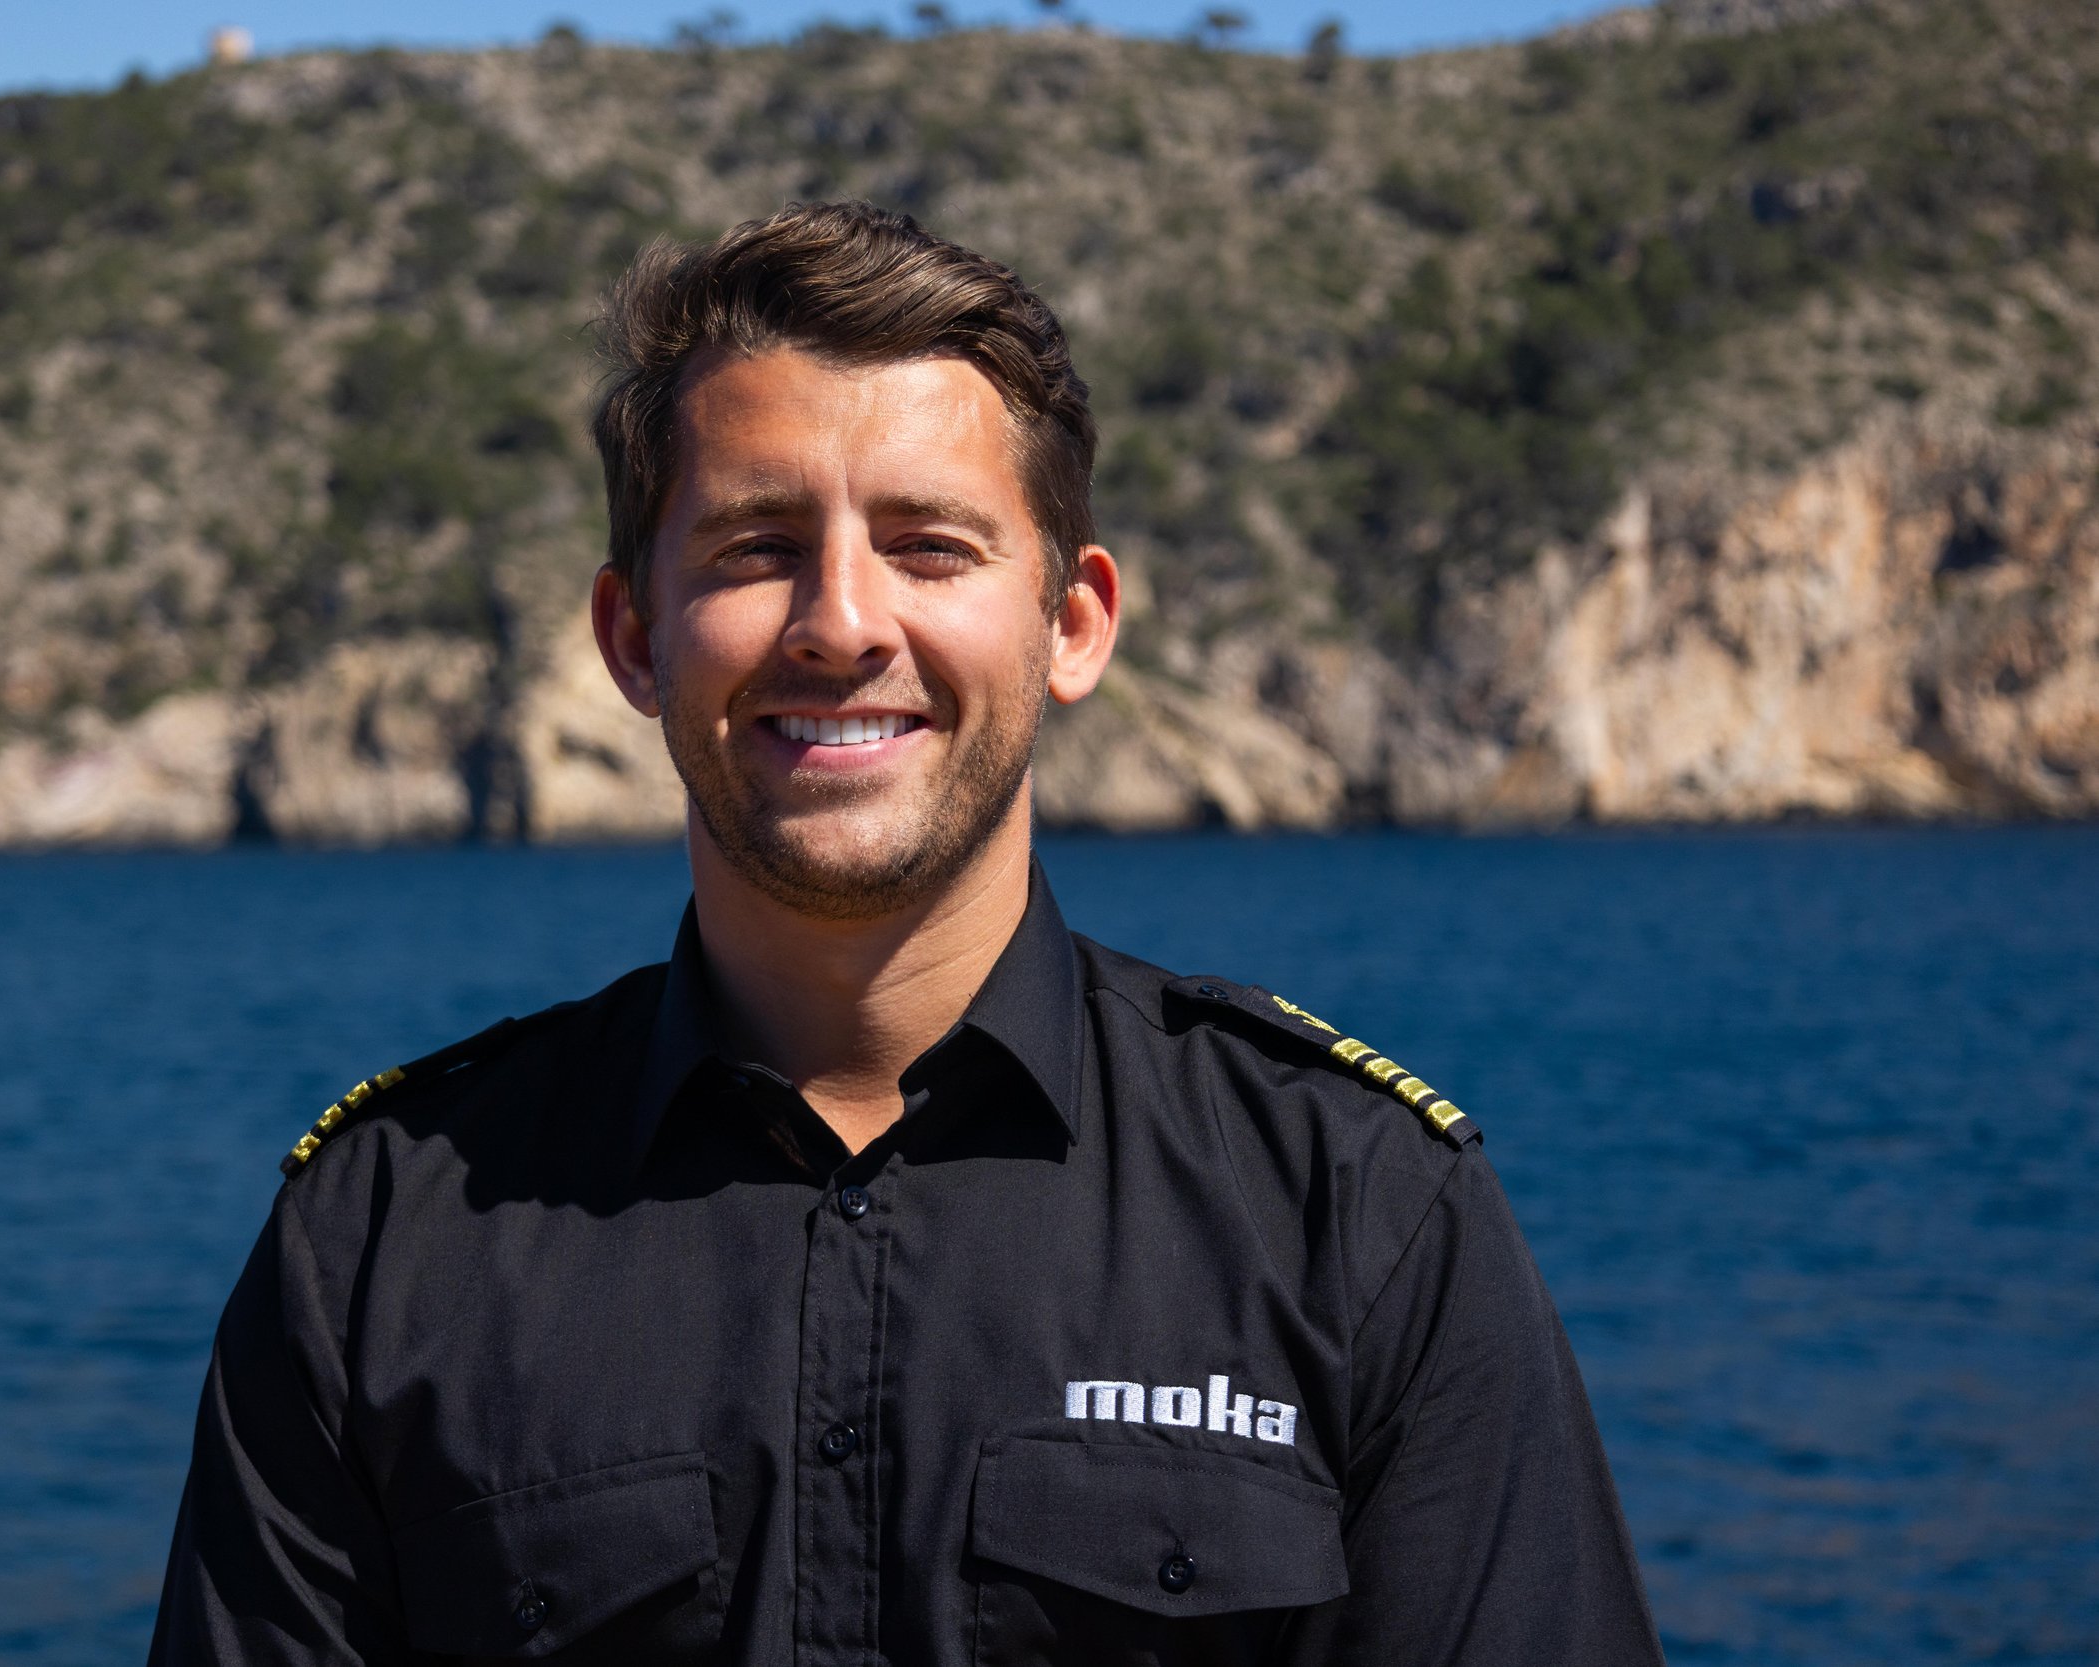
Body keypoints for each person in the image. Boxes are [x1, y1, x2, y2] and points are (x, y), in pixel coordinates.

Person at [149, 200, 1665, 1666]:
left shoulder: (1358, 1216)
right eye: (754, 548)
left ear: (1072, 625)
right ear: (631, 637)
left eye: (930, 547)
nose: (843, 621)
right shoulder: (382, 1245)